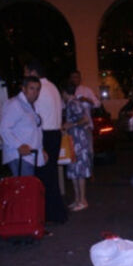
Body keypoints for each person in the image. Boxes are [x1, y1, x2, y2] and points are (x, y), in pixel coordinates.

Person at [24, 61, 68, 223]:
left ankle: (50, 214)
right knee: (51, 176)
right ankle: (56, 213)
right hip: (55, 133)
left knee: (44, 177)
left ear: (33, 72)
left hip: (45, 134)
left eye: (26, 72)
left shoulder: (39, 90)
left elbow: (34, 116)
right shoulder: (53, 87)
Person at [0, 75, 46, 176]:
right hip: (19, 156)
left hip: (30, 155)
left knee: (30, 189)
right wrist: (19, 146)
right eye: (31, 88)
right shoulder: (15, 104)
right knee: (26, 189)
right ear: (23, 89)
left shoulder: (31, 105)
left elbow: (35, 131)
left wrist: (41, 150)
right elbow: (3, 129)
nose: (35, 92)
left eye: (37, 89)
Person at [61, 81, 92, 211]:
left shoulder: (74, 103)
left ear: (65, 92)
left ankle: (82, 199)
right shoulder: (70, 104)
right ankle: (77, 199)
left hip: (78, 140)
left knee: (79, 171)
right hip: (74, 140)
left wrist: (71, 125)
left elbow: (85, 119)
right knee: (74, 170)